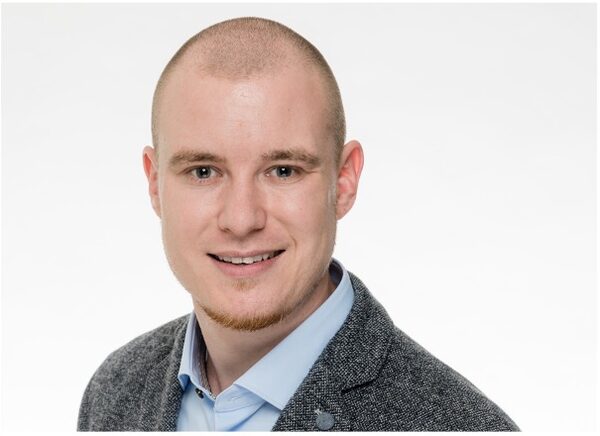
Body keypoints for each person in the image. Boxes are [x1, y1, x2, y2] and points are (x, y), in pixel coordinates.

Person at [77, 17, 519, 432]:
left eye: (283, 171)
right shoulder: (115, 391)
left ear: (343, 181)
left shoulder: (458, 425)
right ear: (154, 184)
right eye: (203, 172)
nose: (241, 219)